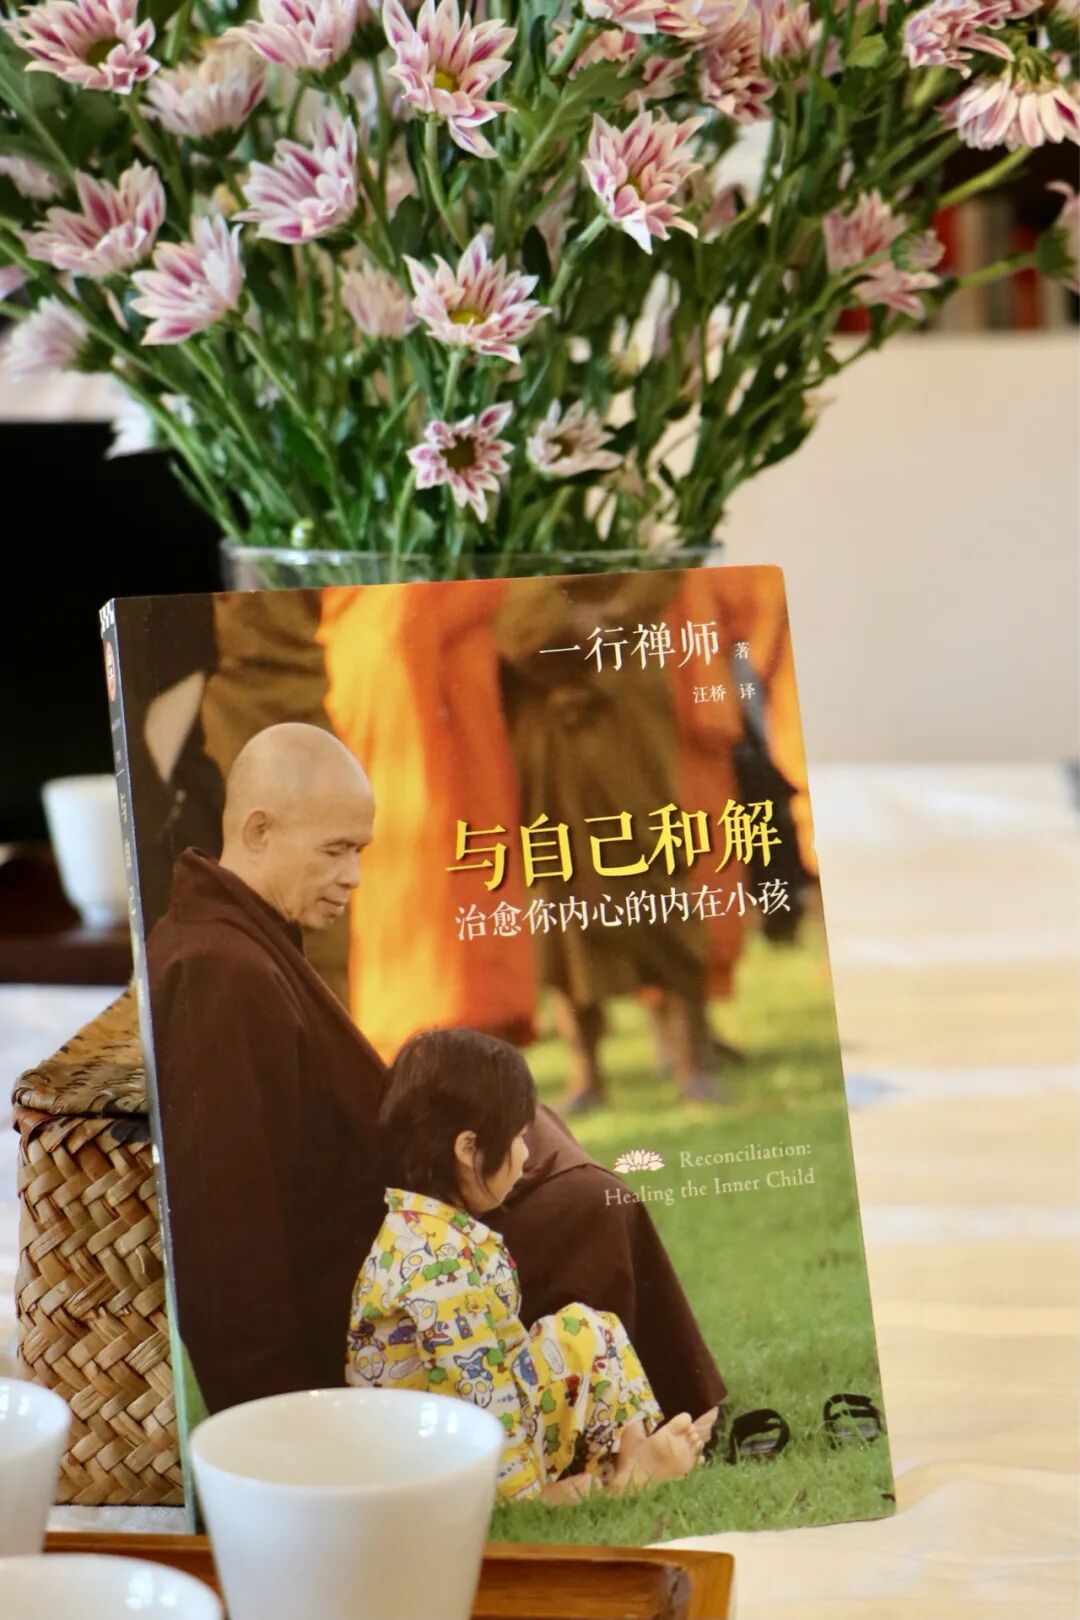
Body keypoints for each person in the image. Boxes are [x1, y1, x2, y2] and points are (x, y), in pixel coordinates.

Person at [147, 720, 726, 1421]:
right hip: (379, 1299)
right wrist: (283, 1424)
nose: (354, 876)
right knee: (587, 1207)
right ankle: (637, 1418)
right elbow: (223, 1232)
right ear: (259, 831)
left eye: (359, 851)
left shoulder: (240, 933)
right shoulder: (216, 972)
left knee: (530, 1128)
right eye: (335, 851)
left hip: (388, 1225)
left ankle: (651, 1407)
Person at [347, 1028, 717, 1504]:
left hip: (458, 1424)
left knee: (590, 1329)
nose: (526, 1156)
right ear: (467, 1150)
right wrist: (532, 1498)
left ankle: (633, 1457)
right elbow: (488, 1400)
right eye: (519, 1139)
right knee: (543, 1378)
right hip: (435, 1464)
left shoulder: (437, 1230)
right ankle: (613, 1484)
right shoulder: (439, 1269)